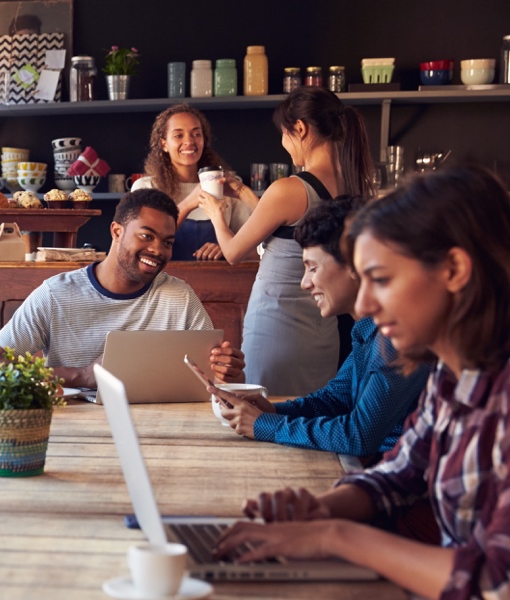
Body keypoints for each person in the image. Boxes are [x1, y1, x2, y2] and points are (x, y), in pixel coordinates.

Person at [213, 166, 510, 599]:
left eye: (383, 279)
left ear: (454, 271)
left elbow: (494, 582)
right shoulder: (453, 376)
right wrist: (318, 512)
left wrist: (335, 537)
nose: (367, 303)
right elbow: (398, 474)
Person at [213, 196, 428, 462]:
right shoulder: (368, 329)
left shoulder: (399, 335)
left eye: (312, 268)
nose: (305, 283)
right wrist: (273, 413)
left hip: (402, 486)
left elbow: (359, 435)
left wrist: (264, 425)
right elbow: (335, 399)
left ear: (354, 265)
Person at [200, 86, 375, 396]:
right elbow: (291, 229)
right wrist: (242, 192)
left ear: (300, 129)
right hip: (323, 332)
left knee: (266, 416)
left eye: (283, 134)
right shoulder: (352, 183)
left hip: (277, 326)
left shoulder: (289, 188)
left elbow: (232, 252)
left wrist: (215, 212)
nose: (283, 144)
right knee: (312, 415)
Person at [0, 188, 245, 389]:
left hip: (161, 430)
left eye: (167, 242)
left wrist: (229, 371)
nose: (157, 250)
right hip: (72, 434)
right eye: (146, 236)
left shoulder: (179, 297)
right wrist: (82, 375)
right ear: (117, 231)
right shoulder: (56, 294)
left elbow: (214, 378)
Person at [131, 104, 252, 261]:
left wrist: (226, 248)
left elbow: (258, 250)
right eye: (178, 135)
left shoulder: (226, 187)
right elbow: (137, 246)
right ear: (164, 144)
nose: (189, 141)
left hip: (217, 282)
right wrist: (189, 203)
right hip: (162, 282)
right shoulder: (146, 188)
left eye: (196, 134)